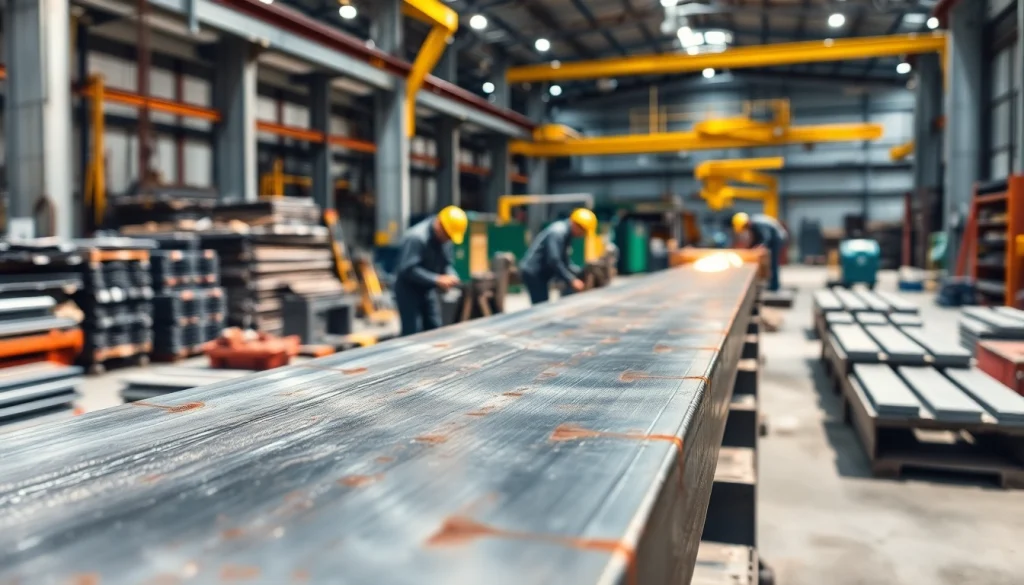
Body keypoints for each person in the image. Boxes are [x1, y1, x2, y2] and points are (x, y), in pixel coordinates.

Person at [394, 206, 468, 336]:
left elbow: (446, 263)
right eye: (447, 235)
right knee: (412, 332)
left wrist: (451, 275)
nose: (448, 239)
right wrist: (437, 279)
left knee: (434, 328)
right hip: (408, 291)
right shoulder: (417, 238)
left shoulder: (445, 238)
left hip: (428, 289)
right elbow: (408, 269)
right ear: (439, 224)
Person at [519, 208, 598, 305]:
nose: (582, 235)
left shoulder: (566, 234)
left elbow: (564, 261)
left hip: (541, 274)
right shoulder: (557, 232)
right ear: (577, 225)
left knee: (543, 304)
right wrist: (572, 280)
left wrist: (578, 273)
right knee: (541, 306)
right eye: (583, 231)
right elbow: (554, 260)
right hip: (534, 272)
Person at [733, 212, 788, 291]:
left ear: (746, 223)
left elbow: (766, 237)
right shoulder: (753, 225)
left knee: (773, 262)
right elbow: (756, 240)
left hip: (777, 238)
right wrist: (750, 249)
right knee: (770, 261)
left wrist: (760, 247)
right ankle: (772, 284)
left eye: (744, 227)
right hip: (774, 237)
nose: (745, 229)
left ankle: (774, 286)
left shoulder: (757, 224)